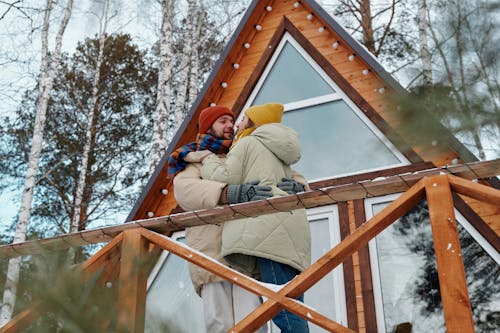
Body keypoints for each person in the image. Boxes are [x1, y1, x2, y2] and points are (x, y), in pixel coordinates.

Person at [169, 105, 306, 333]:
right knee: (219, 322)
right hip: (210, 253)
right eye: (223, 121)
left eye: (232, 121)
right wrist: (227, 193)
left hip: (245, 250)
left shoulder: (245, 148)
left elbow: (281, 170)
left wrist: (298, 186)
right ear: (207, 127)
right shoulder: (194, 160)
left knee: (253, 320)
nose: (230, 126)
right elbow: (185, 190)